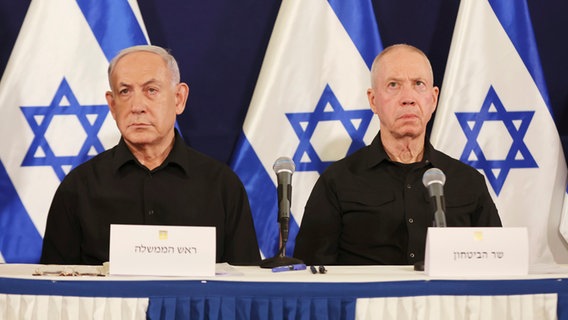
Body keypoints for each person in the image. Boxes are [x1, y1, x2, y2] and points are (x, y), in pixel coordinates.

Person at [40, 45, 260, 266]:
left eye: (151, 90)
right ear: (112, 105)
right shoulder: (78, 188)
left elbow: (246, 286)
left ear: (179, 98)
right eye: (125, 91)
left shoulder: (221, 186)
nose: (137, 106)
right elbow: (54, 291)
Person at [293, 44, 502, 266]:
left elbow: (496, 265)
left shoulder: (468, 182)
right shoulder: (337, 181)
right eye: (393, 85)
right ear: (373, 100)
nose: (408, 98)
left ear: (433, 99)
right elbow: (311, 274)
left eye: (418, 84)